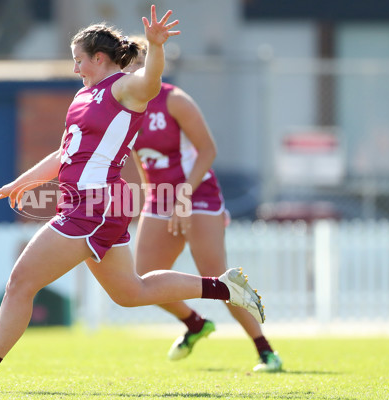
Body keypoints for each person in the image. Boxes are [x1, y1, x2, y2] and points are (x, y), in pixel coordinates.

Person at [0, 6, 265, 393]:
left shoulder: (123, 88)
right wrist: (21, 183)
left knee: (20, 282)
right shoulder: (83, 97)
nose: (75, 68)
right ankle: (225, 288)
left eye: (79, 60)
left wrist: (156, 47)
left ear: (99, 58)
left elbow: (151, 82)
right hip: (92, 206)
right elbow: (63, 155)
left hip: (93, 205)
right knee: (131, 292)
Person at [122, 37, 282, 372]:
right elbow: (139, 159)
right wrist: (150, 199)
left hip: (198, 195)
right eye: (128, 66)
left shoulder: (175, 100)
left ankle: (266, 352)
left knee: (217, 279)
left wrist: (182, 196)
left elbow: (208, 150)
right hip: (161, 200)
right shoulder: (125, 106)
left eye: (139, 64)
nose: (133, 72)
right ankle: (195, 323)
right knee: (140, 280)